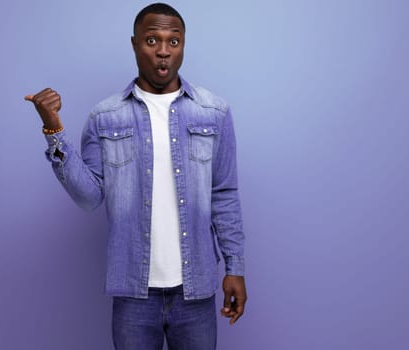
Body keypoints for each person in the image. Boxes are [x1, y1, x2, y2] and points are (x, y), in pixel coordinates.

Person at [25, 3, 246, 349]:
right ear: (134, 44)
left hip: (196, 289)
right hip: (133, 294)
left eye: (173, 42)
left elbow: (224, 194)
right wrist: (53, 129)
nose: (163, 51)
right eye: (151, 40)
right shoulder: (106, 116)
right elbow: (89, 197)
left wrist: (235, 267)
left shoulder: (213, 112)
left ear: (184, 45)